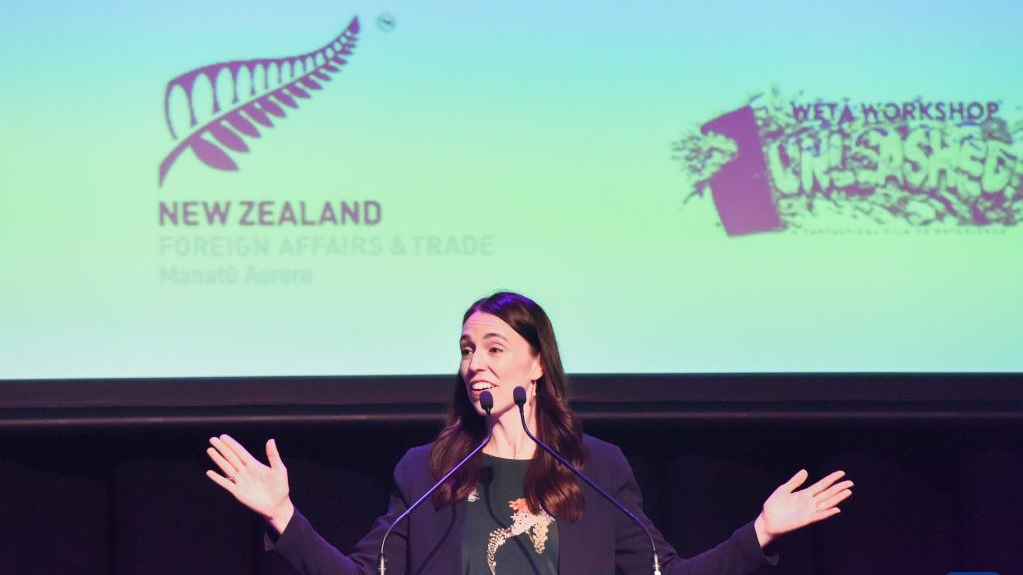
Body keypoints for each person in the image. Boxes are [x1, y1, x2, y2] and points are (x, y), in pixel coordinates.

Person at [206, 292, 853, 575]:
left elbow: (666, 573)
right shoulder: (426, 470)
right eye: (465, 348)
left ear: (537, 362)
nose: (474, 362)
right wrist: (285, 518)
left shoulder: (595, 465)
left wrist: (760, 531)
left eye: (493, 345)